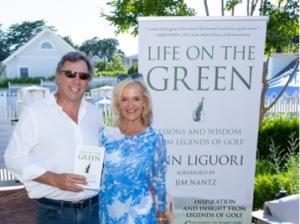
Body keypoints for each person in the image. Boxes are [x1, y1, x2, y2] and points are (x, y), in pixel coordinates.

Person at [4, 51, 103, 224]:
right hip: (55, 214)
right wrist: (55, 179)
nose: (76, 80)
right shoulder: (35, 113)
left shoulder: (95, 113)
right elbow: (13, 158)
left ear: (88, 82)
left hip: (92, 211)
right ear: (57, 77)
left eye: (83, 76)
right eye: (70, 74)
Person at [99, 74, 169, 224]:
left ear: (144, 102)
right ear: (118, 104)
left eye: (136, 99)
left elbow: (159, 182)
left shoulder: (155, 139)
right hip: (108, 215)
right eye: (124, 99)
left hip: (140, 216)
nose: (130, 105)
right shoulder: (105, 136)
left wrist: (162, 217)